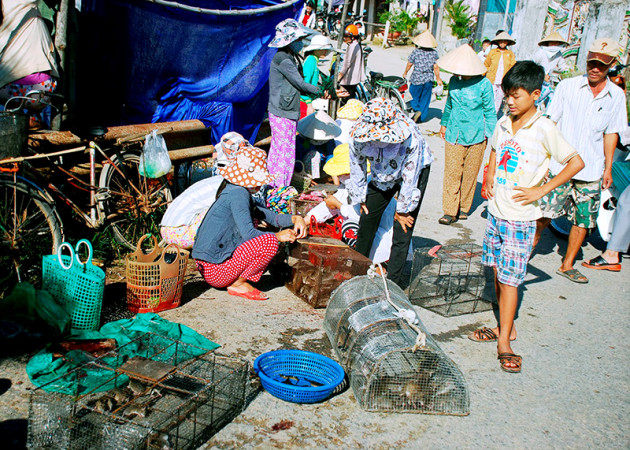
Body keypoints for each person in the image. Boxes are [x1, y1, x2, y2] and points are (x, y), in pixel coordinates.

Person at [470, 61, 584, 373]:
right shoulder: (504, 122)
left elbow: (575, 162)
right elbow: (495, 149)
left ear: (535, 94)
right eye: (507, 95)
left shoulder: (545, 128)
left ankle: (504, 340)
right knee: (495, 271)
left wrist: (541, 190)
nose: (509, 100)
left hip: (521, 218)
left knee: (510, 281)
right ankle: (506, 327)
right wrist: (490, 175)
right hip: (496, 213)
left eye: (516, 96)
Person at [535, 38, 628, 284]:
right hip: (560, 166)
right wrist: (542, 160)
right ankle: (523, 256)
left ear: (611, 65)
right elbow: (550, 123)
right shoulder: (568, 86)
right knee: (543, 214)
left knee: (584, 220)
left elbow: (611, 133)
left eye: (602, 64)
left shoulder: (616, 96)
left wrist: (607, 168)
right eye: (592, 62)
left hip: (592, 168)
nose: (595, 68)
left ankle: (567, 265)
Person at [192, 146, 307, 301]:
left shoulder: (236, 190)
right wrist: (279, 236)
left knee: (269, 237)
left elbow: (271, 217)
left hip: (208, 267)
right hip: (215, 271)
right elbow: (249, 235)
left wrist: (295, 219)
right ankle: (238, 284)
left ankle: (236, 280)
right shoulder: (238, 194)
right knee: (269, 243)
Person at [347, 98, 433, 285]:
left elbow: (410, 177)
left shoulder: (411, 139)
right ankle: (357, 271)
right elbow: (357, 167)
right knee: (367, 218)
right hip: (380, 175)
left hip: (413, 170)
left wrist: (402, 210)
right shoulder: (357, 138)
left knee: (402, 228)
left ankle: (394, 281)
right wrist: (360, 197)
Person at [437, 44, 497, 225]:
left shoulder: (484, 84)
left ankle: (464, 207)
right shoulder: (454, 81)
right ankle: (449, 211)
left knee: (470, 173)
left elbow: (490, 112)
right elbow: (449, 105)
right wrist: (444, 124)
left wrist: (493, 137)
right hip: (454, 133)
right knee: (452, 173)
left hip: (477, 135)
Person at [160, 132, 249, 249]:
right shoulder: (228, 186)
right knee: (228, 212)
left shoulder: (216, 180)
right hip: (179, 232)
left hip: (167, 228)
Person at [268, 18, 322, 188]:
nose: (300, 43)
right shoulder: (283, 59)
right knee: (284, 153)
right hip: (282, 110)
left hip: (284, 109)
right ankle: (280, 189)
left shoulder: (289, 57)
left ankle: (276, 186)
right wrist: (322, 91)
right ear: (290, 40)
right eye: (298, 39)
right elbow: (300, 83)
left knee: (281, 151)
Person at [0, 0, 59, 126]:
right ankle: (32, 120)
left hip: (5, 90)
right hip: (39, 90)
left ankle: (25, 121)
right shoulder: (21, 2)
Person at [402, 31, 443, 123]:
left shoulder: (416, 52)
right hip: (428, 79)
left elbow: (410, 63)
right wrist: (438, 79)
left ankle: (416, 109)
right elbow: (435, 66)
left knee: (412, 97)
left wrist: (405, 73)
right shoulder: (434, 53)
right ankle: (421, 117)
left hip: (416, 78)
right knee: (425, 99)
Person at [531, 31, 570, 109]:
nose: (554, 45)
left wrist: (569, 72)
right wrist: (542, 75)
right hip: (535, 80)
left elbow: (563, 66)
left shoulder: (558, 54)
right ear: (548, 43)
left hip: (547, 83)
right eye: (552, 43)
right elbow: (531, 66)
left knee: (552, 98)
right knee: (534, 100)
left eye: (556, 43)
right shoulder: (541, 53)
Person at [300, 34, 333, 118]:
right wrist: (309, 104)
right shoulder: (311, 60)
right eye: (322, 48)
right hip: (305, 101)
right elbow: (305, 83)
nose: (325, 51)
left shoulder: (314, 60)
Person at [484, 31, 516, 116]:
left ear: (508, 42)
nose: (503, 43)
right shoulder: (493, 52)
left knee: (499, 99)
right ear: (498, 41)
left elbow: (513, 67)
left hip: (503, 81)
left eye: (505, 41)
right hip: (492, 79)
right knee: (490, 98)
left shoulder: (510, 54)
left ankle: (493, 116)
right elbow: (486, 65)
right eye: (501, 41)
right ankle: (486, 115)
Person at [338, 24, 365, 101]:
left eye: (346, 36)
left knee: (346, 101)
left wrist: (339, 76)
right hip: (353, 79)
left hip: (349, 80)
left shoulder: (353, 47)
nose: (344, 38)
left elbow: (347, 64)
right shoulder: (355, 45)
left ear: (352, 37)